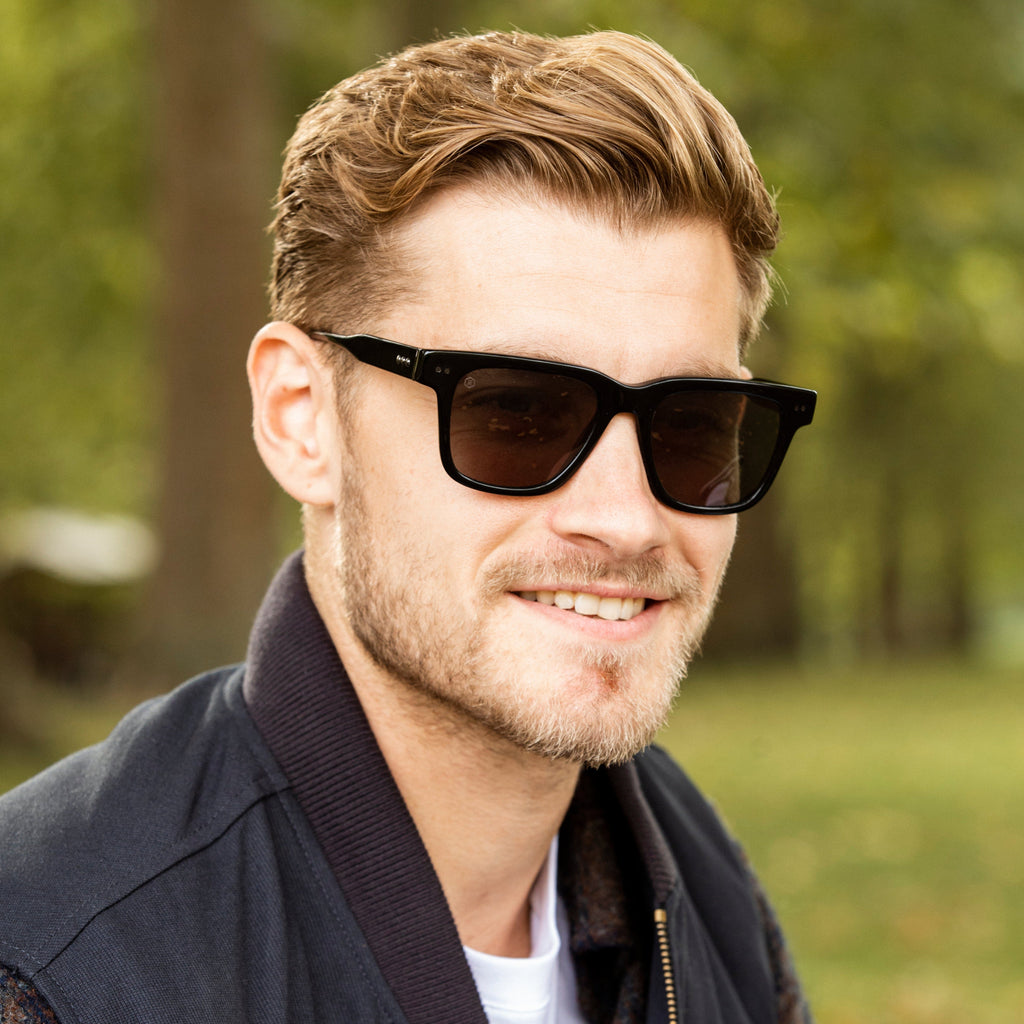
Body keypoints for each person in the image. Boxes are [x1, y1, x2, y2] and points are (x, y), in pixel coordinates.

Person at [0, 29, 817, 1024]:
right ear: (301, 419)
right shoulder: (56, 969)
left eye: (690, 426)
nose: (624, 517)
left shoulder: (705, 894)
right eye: (516, 413)